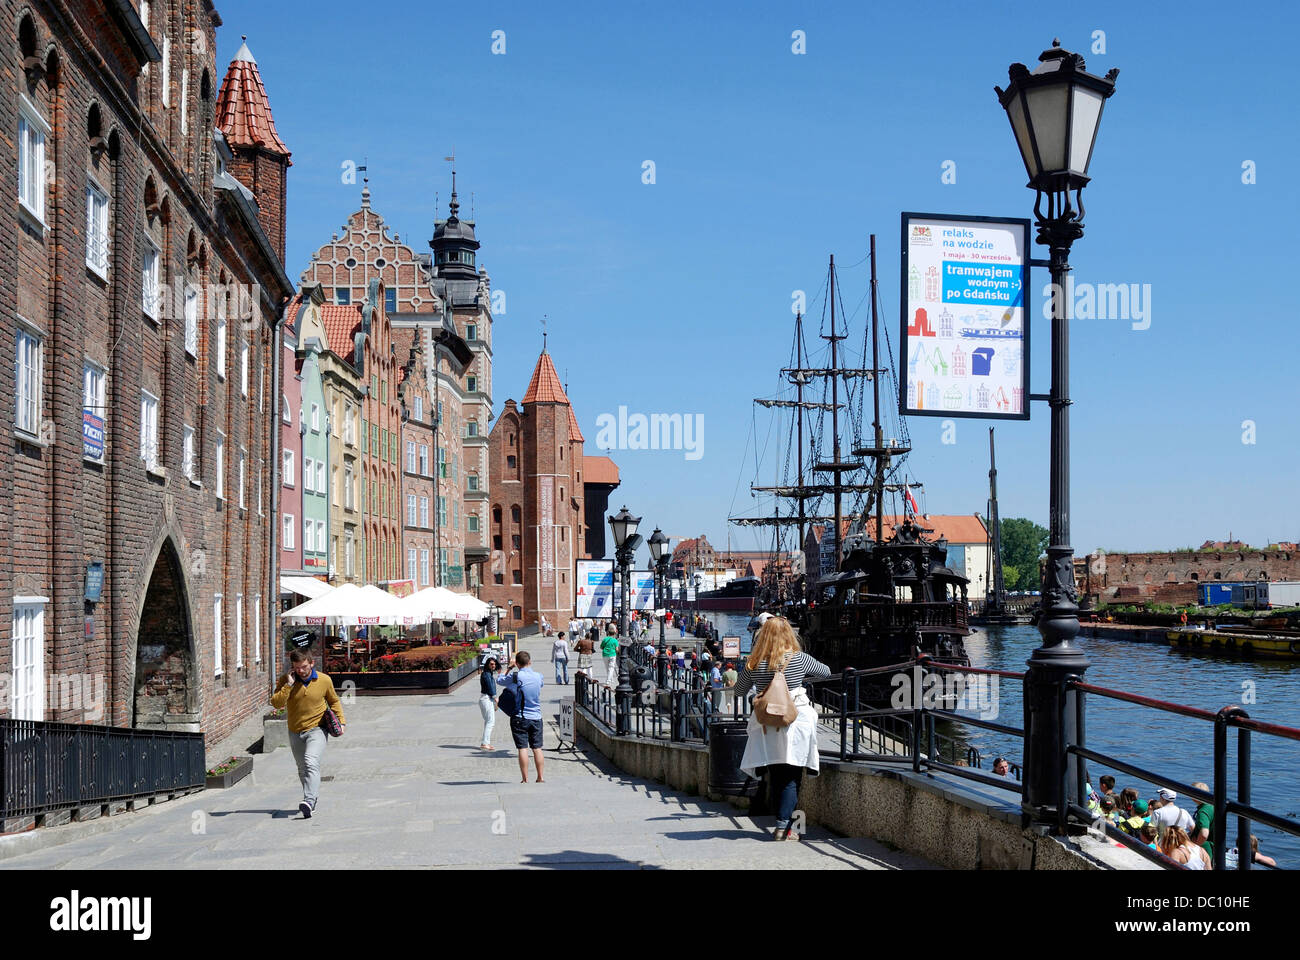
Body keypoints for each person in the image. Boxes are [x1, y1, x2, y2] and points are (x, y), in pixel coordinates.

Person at [733, 616, 831, 841]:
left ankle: (785, 824)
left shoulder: (754, 662)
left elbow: (739, 691)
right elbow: (826, 671)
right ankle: (785, 828)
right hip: (795, 720)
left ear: (762, 635)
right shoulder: (799, 659)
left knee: (777, 774)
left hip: (768, 724)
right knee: (792, 777)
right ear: (789, 634)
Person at [270, 648, 346, 819]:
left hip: (317, 729)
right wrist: (288, 685)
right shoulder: (287, 680)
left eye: (304, 667)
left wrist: (341, 721)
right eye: (297, 668)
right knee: (302, 768)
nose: (301, 671)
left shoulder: (324, 680)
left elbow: (334, 701)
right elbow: (276, 703)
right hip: (295, 730)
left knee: (310, 762)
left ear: (312, 663)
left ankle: (309, 801)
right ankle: (311, 799)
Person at [500, 651, 545, 783]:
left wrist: (509, 667)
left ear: (517, 664)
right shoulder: (539, 676)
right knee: (537, 748)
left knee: (522, 748)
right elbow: (540, 685)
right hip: (536, 716)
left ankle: (525, 779)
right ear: (530, 662)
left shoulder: (516, 676)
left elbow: (499, 680)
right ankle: (540, 777)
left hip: (520, 717)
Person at [479, 656, 501, 750]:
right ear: (487, 664)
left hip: (486, 699)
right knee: (490, 722)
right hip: (486, 699)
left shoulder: (488, 673)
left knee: (488, 721)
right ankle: (485, 743)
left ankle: (486, 742)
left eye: (495, 664)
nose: (493, 665)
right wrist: (495, 698)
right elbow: (490, 687)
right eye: (491, 664)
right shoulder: (486, 674)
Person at [1190, 781, 1216, 861]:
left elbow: (1204, 834)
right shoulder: (1212, 806)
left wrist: (1196, 846)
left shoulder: (1202, 812)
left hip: (1205, 847)